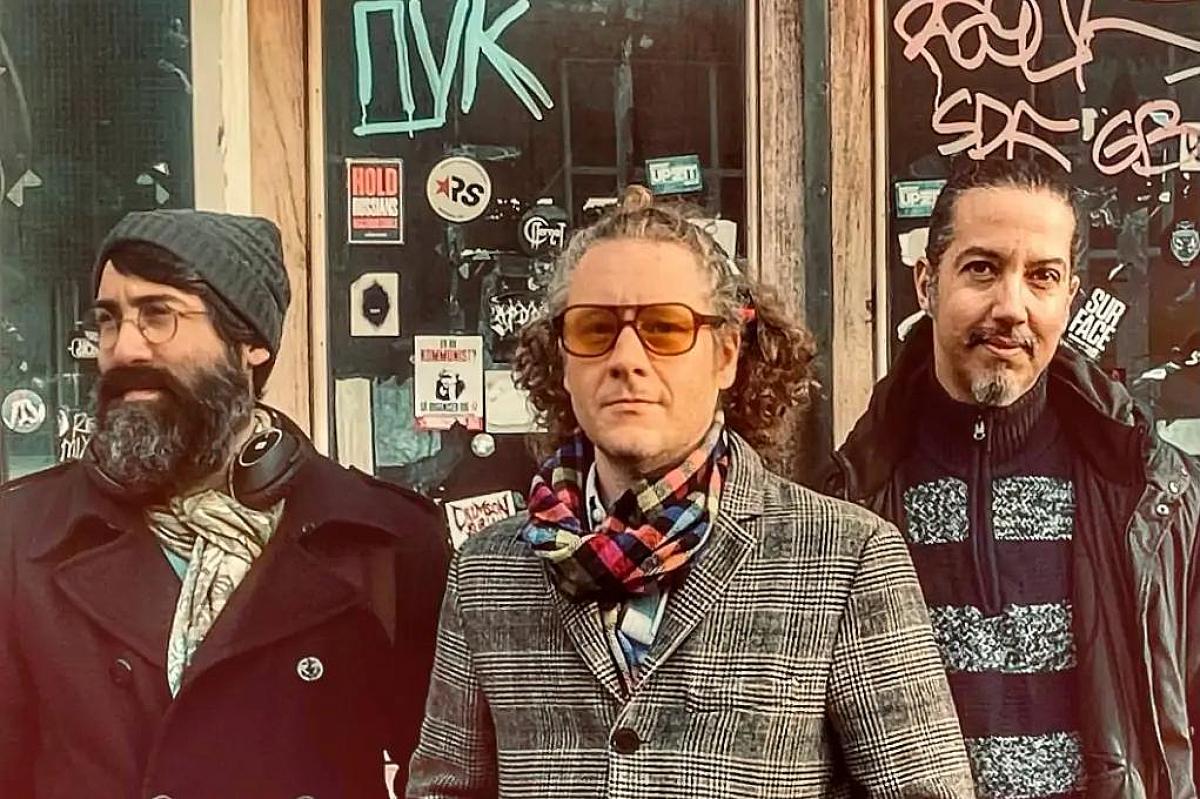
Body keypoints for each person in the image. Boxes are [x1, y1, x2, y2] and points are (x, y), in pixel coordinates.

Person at [407, 186, 974, 798]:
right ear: (563, 360)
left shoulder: (844, 556)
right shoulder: (489, 572)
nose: (627, 358)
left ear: (726, 354)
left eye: (665, 328)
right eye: (595, 328)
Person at [0, 210, 450, 798]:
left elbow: (447, 778)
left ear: (251, 343)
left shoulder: (382, 543)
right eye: (108, 320)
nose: (122, 349)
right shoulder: (23, 539)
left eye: (158, 315)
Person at [824, 155, 1200, 797]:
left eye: (1042, 277)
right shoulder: (848, 501)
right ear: (926, 283)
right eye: (982, 268)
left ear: (1069, 299)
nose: (1011, 307)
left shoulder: (1158, 501)